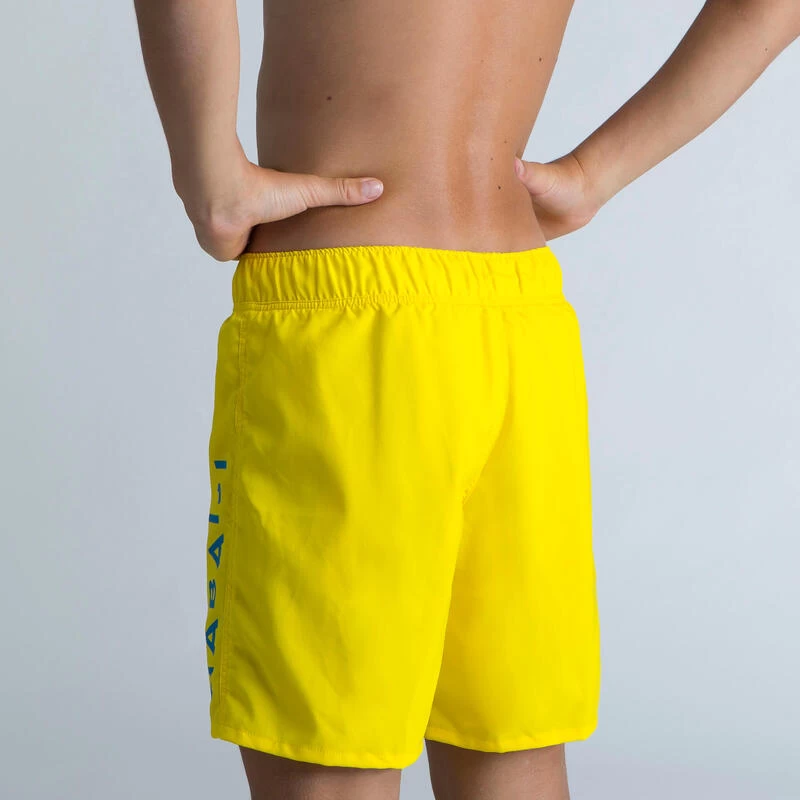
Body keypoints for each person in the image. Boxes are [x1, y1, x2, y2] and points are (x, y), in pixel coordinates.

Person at [134, 1, 799, 798]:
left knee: (328, 769)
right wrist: (596, 175)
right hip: (519, 318)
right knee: (510, 759)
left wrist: (206, 167)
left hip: (348, 319)